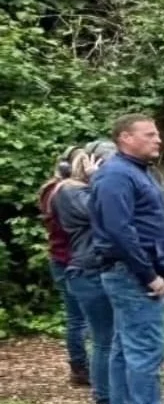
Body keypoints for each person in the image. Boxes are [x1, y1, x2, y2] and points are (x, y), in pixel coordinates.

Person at [90, 114, 164, 404]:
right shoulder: (116, 176)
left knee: (125, 345)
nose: (158, 139)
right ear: (125, 138)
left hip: (141, 270)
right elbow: (121, 231)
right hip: (130, 273)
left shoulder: (136, 173)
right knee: (145, 349)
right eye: (149, 134)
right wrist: (149, 274)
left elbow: (150, 226)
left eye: (157, 133)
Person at [51, 141, 118, 404]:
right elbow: (102, 212)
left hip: (94, 269)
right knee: (103, 339)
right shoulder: (69, 191)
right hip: (87, 271)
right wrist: (98, 180)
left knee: (111, 339)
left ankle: (116, 401)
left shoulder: (82, 190)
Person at [38, 153, 90, 389]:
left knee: (75, 318)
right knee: (79, 320)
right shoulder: (67, 193)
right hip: (70, 259)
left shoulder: (51, 189)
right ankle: (81, 368)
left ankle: (80, 367)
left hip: (61, 259)